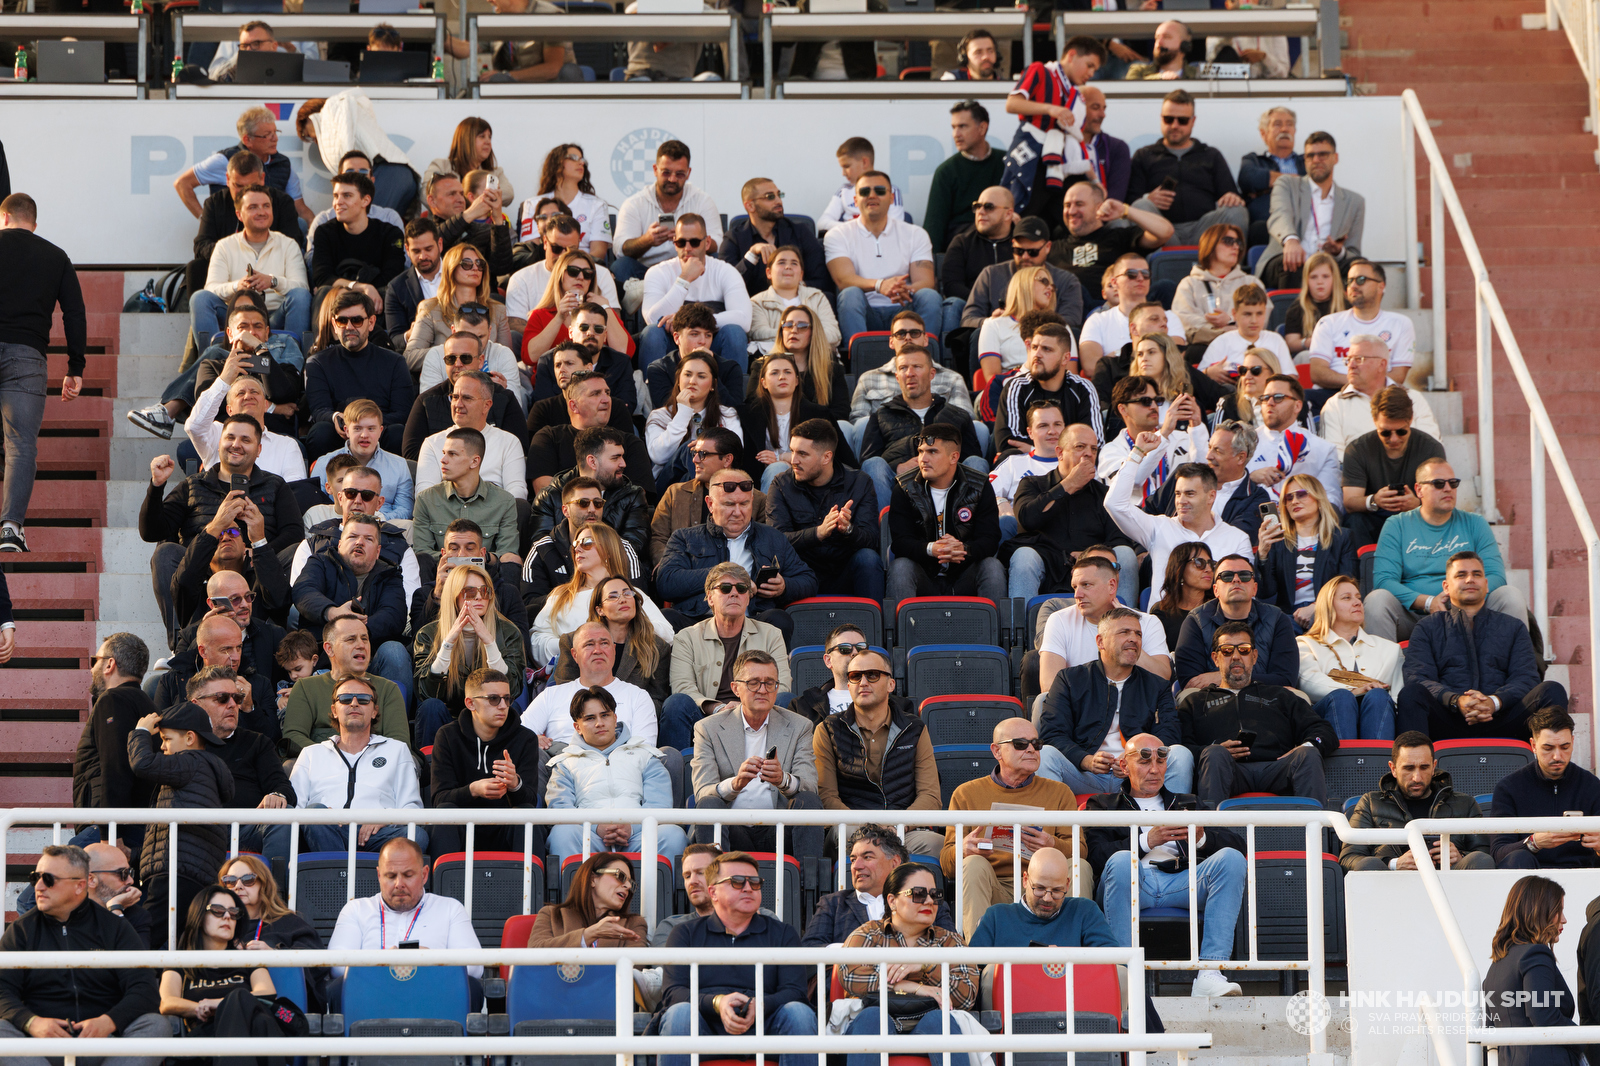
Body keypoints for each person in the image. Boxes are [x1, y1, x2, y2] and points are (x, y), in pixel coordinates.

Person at [1085, 731, 1248, 998]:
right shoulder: (1103, 804)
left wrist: (1201, 838)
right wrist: (1145, 841)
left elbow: (1238, 845)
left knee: (1231, 858)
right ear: (1124, 766)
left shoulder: (1188, 803)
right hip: (1133, 882)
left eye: (1161, 761)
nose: (1154, 769)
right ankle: (1124, 976)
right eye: (1144, 761)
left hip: (1183, 882)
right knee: (1122, 859)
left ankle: (1210, 972)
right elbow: (1096, 856)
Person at [969, 847, 1166, 1032]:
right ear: (1025, 880)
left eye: (1056, 891)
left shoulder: (1084, 911)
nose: (1047, 898)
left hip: (1081, 1021)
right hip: (1015, 1017)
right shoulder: (996, 916)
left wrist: (1067, 958)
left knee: (1121, 973)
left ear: (1068, 885)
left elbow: (1115, 962)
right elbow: (971, 972)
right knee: (989, 974)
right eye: (1039, 888)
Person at [143, 416, 303, 639]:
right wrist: (157, 486)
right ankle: (182, 640)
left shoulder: (275, 485)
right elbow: (151, 532)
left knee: (296, 552)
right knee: (165, 552)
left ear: (258, 450)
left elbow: (294, 533)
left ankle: (265, 637)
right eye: (230, 437)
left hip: (257, 572)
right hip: (199, 573)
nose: (236, 444)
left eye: (245, 440)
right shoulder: (193, 484)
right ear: (219, 444)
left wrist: (258, 550)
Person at [0, 845, 165, 1055]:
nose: (39, 887)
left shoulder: (115, 927)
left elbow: (145, 988)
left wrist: (109, 1022)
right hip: (40, 1045)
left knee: (156, 1025)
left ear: (79, 885)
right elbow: (2, 989)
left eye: (48, 879)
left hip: (105, 1043)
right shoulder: (21, 930)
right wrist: (31, 1022)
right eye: (35, 878)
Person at [658, 851, 816, 1066]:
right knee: (679, 1013)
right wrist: (717, 1003)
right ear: (713, 892)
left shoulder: (783, 933)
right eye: (737, 882)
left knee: (799, 1013)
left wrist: (760, 1005)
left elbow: (795, 992)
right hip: (705, 1025)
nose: (748, 888)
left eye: (755, 883)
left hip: (766, 1025)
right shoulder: (684, 933)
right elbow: (673, 992)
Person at [1398, 551, 1566, 740]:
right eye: (1461, 575)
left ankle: (1554, 758)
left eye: (1476, 574)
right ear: (1446, 587)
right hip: (1447, 720)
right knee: (1411, 694)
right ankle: (1416, 759)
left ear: (1486, 585)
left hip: (1504, 720)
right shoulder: (1427, 627)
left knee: (1551, 690)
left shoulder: (1513, 627)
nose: (1470, 579)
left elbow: (1526, 678)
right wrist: (1456, 700)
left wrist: (1494, 702)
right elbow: (1417, 677)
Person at [942, 718, 1087, 935]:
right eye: (1020, 744)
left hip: (1044, 887)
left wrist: (1052, 845)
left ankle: (1071, 949)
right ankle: (978, 954)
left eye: (1036, 744)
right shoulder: (965, 794)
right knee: (972, 864)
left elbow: (1081, 852)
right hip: (993, 886)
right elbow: (947, 864)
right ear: (997, 751)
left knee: (1079, 867)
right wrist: (962, 850)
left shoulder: (1060, 792)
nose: (1031, 750)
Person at [0, 194, 85, 553]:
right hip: (27, 356)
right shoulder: (56, 256)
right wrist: (75, 367)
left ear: (4, 217)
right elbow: (74, 312)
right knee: (20, 446)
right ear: (33, 223)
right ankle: (10, 528)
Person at [1366, 458, 1529, 641]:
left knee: (1510, 596)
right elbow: (1384, 581)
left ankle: (1516, 660)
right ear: (1419, 490)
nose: (1447, 488)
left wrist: (1460, 598)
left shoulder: (1475, 523)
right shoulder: (1397, 525)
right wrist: (1428, 602)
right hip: (1414, 616)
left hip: (1470, 611)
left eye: (1453, 483)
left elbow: (1496, 576)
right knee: (1376, 600)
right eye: (1438, 483)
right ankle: (1384, 662)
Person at [1179, 622, 1338, 806]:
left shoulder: (1280, 695)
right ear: (1216, 658)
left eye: (1244, 650)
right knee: (1214, 754)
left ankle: (1314, 824)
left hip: (1278, 767)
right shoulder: (1195, 702)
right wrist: (1213, 749)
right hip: (1225, 768)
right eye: (1227, 651)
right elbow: (1182, 747)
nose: (1236, 656)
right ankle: (1211, 825)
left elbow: (1324, 731)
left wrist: (1306, 745)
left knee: (1307, 754)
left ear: (1254, 656)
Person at [1039, 605, 1189, 797]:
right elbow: (1052, 733)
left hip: (1138, 774)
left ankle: (1170, 817)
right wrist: (1086, 760)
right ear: (1100, 641)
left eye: (1138, 634)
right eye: (1124, 632)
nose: (1133, 639)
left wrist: (1135, 758)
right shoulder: (1070, 679)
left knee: (1180, 754)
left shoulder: (1156, 685)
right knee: (1045, 754)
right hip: (1084, 774)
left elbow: (1170, 732)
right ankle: (1054, 818)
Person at [840, 862, 980, 1065]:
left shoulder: (950, 941)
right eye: (918, 894)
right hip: (873, 1023)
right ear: (892, 901)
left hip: (930, 1024)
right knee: (873, 1017)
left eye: (935, 895)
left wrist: (927, 965)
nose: (929, 901)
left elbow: (967, 995)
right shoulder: (869, 934)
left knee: (940, 1021)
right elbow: (850, 976)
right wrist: (915, 988)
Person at [814, 648, 946, 857]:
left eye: (872, 675)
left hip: (901, 830)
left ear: (891, 684)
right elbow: (827, 797)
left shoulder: (914, 728)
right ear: (848, 686)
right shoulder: (828, 729)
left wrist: (898, 826)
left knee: (939, 845)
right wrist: (869, 828)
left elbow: (930, 796)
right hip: (852, 827)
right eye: (855, 676)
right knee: (844, 833)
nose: (863, 682)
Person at [691, 649, 823, 855]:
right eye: (753, 683)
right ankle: (715, 875)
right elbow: (702, 792)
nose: (762, 690)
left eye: (770, 683)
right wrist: (735, 784)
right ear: (735, 688)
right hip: (732, 828)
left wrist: (782, 780)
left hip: (779, 829)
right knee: (708, 804)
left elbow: (810, 785)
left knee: (809, 801)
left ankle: (810, 877)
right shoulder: (708, 728)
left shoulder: (800, 726)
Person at [326, 837, 482, 1008]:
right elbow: (337, 966)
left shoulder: (450, 908)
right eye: (391, 876)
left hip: (433, 996)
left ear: (424, 875)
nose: (399, 884)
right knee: (339, 988)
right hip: (373, 996)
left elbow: (475, 967)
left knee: (471, 987)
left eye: (408, 875)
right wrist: (383, 962)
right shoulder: (356, 909)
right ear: (379, 875)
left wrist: (431, 960)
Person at [128, 702, 237, 948]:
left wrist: (141, 732)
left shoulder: (190, 761)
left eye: (166, 739)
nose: (162, 747)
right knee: (180, 942)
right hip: (195, 870)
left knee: (145, 939)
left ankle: (126, 972)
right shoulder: (203, 770)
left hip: (176, 870)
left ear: (189, 738)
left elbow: (142, 763)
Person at [657, 469, 815, 636]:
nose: (738, 512)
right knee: (667, 618)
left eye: (744, 504)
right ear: (710, 504)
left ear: (752, 501)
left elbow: (808, 580)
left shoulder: (773, 538)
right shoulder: (685, 537)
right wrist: (723, 576)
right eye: (729, 504)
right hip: (699, 622)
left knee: (779, 619)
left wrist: (784, 587)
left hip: (753, 622)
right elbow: (666, 582)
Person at [547, 684, 687, 863]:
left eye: (605, 715)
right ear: (577, 727)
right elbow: (560, 809)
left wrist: (632, 827)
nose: (599, 723)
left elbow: (659, 804)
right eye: (590, 718)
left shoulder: (645, 755)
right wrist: (596, 827)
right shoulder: (565, 763)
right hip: (589, 837)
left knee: (673, 834)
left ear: (615, 718)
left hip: (638, 836)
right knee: (562, 833)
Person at [289, 675, 426, 853]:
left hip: (378, 835)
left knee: (417, 836)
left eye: (363, 699)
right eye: (345, 699)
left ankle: (337, 866)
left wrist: (384, 818)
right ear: (334, 710)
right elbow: (295, 808)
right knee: (314, 813)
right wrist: (323, 816)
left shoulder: (397, 750)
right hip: (326, 830)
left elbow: (412, 808)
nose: (354, 703)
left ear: (374, 711)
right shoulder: (311, 753)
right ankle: (340, 864)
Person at [662, 563, 792, 749]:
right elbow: (682, 687)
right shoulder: (686, 638)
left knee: (786, 699)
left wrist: (745, 709)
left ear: (748, 598)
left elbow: (782, 685)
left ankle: (778, 764)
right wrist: (717, 708)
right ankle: (679, 766)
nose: (734, 593)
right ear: (710, 597)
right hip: (707, 719)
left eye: (741, 588)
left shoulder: (772, 635)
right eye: (725, 588)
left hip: (759, 715)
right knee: (676, 703)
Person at [1005, 427, 1136, 602]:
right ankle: (1020, 620)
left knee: (1125, 554)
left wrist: (1090, 555)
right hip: (1046, 563)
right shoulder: (1032, 484)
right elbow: (1027, 519)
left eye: (1093, 449)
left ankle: (1123, 616)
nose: (1089, 453)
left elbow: (1119, 538)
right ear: (1060, 453)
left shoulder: (1105, 494)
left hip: (1094, 568)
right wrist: (1069, 484)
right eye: (1080, 447)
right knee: (1023, 556)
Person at [886, 423, 1006, 610]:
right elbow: (900, 543)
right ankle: (898, 629)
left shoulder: (979, 485)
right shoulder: (904, 487)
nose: (923, 459)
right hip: (924, 577)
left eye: (932, 452)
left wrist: (963, 549)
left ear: (954, 457)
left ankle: (997, 629)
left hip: (965, 577)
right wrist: (932, 549)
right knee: (900, 567)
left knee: (992, 567)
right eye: (921, 451)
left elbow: (990, 540)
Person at [1107, 451, 1251, 604]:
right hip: (1162, 618)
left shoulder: (1237, 539)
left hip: (1215, 618)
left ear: (1211, 496)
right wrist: (1137, 453)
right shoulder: (1159, 527)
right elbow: (1114, 504)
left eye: (1190, 494)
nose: (1181, 501)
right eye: (1177, 494)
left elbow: (1245, 594)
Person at [291, 514, 411, 694]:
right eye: (353, 536)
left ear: (378, 551)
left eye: (368, 539)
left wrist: (355, 632)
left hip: (372, 658)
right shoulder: (320, 561)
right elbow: (303, 591)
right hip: (326, 659)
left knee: (394, 651)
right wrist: (332, 613)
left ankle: (393, 712)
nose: (359, 542)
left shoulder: (390, 574)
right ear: (340, 544)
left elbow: (394, 616)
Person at [1338, 731, 1492, 871]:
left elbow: (1486, 854)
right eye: (1409, 768)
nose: (1417, 778)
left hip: (1452, 884)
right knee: (1368, 864)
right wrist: (1394, 864)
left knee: (1480, 860)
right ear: (1393, 769)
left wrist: (1460, 857)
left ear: (1434, 767)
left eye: (1424, 767)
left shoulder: (1465, 803)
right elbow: (1348, 858)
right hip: (1392, 886)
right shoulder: (1370, 803)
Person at [187, 187, 313, 358]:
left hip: (275, 315)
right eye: (253, 207)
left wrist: (273, 281)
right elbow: (211, 288)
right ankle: (213, 361)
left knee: (300, 296)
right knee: (200, 298)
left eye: (266, 206)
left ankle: (290, 361)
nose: (261, 212)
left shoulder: (288, 244)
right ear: (239, 215)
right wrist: (237, 287)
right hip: (237, 317)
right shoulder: (224, 246)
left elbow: (302, 287)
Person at [767, 419, 881, 600]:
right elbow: (775, 541)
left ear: (826, 457)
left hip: (844, 570)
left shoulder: (859, 483)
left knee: (868, 558)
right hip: (800, 573)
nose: (793, 460)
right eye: (792, 451)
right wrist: (817, 533)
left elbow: (872, 540)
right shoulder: (781, 484)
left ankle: (873, 618)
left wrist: (848, 530)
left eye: (802, 454)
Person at [530, 521, 672, 666]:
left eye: (586, 543)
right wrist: (577, 644)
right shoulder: (560, 596)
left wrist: (626, 629)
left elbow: (667, 634)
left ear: (608, 550)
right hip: (572, 671)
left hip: (624, 671)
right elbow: (537, 641)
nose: (577, 549)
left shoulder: (631, 594)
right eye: (575, 545)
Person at [825, 171, 941, 345]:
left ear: (891, 197)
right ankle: (859, 356)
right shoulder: (837, 235)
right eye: (864, 191)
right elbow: (844, 280)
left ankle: (924, 355)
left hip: (905, 308)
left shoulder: (915, 234)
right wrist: (880, 285)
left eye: (879, 190)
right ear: (855, 200)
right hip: (865, 310)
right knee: (850, 294)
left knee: (929, 296)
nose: (872, 195)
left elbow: (925, 281)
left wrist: (900, 289)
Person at [413, 562, 525, 742]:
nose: (479, 597)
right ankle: (430, 759)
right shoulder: (428, 634)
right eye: (470, 592)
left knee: (510, 708)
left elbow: (512, 689)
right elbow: (426, 693)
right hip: (447, 717)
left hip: (488, 714)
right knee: (430, 707)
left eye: (485, 591)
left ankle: (503, 757)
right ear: (454, 596)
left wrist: (489, 642)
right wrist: (448, 643)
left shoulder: (508, 632)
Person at [1482, 876, 1587, 1066]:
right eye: (1558, 911)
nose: (1564, 919)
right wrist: (1586, 1039)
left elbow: (1490, 1031)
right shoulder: (1536, 954)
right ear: (1538, 911)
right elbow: (1543, 1014)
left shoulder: (1497, 964)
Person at [861, 346, 984, 506]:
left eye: (917, 366)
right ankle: (885, 520)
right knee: (873, 464)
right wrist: (898, 467)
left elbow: (971, 461)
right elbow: (868, 464)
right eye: (903, 368)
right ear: (897, 377)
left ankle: (966, 518)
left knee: (976, 462)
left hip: (950, 489)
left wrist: (940, 466)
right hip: (898, 489)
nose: (910, 373)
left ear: (932, 374)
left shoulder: (957, 415)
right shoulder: (881, 416)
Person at [1000, 37, 1104, 226]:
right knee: (1021, 218)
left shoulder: (1077, 95)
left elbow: (1076, 140)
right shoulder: (1040, 70)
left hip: (1060, 164)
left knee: (1066, 222)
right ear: (1071, 55)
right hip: (1032, 154)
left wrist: (1095, 180)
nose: (1091, 73)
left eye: (1094, 70)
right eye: (1089, 65)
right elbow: (1012, 104)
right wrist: (1050, 109)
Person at [1034, 551, 1169, 695]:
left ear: (1111, 586)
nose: (1077, 595)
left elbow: (1162, 678)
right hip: (1077, 704)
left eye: (1086, 585)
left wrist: (1129, 635)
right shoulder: (1059, 620)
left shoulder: (1148, 622)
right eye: (1075, 587)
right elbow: (1049, 685)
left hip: (1134, 704)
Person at [1127, 91, 1248, 249]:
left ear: (1193, 121)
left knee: (1237, 210)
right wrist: (1149, 198)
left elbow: (1229, 194)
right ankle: (1172, 255)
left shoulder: (1211, 155)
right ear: (1161, 119)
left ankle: (1225, 267)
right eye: (1168, 119)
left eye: (1182, 120)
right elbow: (1130, 202)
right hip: (1162, 231)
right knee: (1140, 205)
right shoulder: (1144, 155)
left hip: (1205, 231)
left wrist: (1231, 197)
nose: (1174, 125)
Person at [280, 616, 410, 757]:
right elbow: (293, 736)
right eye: (351, 639)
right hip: (320, 767)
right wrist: (338, 759)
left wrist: (360, 762)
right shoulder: (305, 688)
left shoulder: (388, 689)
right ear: (329, 649)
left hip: (375, 767)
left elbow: (399, 744)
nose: (361, 645)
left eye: (365, 639)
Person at [303, 291, 413, 458]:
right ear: (334, 324)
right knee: (320, 432)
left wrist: (367, 425)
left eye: (356, 320)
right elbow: (319, 410)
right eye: (342, 321)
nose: (349, 327)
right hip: (341, 433)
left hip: (381, 432)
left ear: (371, 322)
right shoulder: (318, 363)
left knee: (398, 433)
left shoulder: (395, 362)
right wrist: (339, 419)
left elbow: (402, 413)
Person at [74, 634, 157, 851]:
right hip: (132, 826)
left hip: (113, 830)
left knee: (57, 869)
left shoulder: (113, 700)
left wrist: (110, 834)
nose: (92, 669)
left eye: (95, 661)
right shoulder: (146, 703)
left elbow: (115, 768)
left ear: (110, 664)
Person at [158, 885, 275, 1036]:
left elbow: (267, 992)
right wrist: (201, 1008)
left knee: (259, 1020)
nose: (227, 916)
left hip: (249, 1032)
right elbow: (167, 1002)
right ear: (200, 916)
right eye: (218, 910)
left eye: (233, 912)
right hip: (206, 1037)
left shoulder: (247, 957)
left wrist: (219, 1004)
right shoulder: (180, 960)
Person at [1297, 575, 1403, 741]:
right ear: (1328, 606)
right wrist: (1352, 690)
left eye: (1358, 597)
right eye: (1347, 598)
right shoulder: (1306, 644)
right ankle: (1342, 759)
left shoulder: (1391, 649)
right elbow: (1308, 682)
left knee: (1378, 696)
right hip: (1325, 720)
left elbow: (1397, 699)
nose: (1357, 602)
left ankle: (1377, 758)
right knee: (1342, 698)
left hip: (1379, 717)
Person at [1491, 709, 1600, 870]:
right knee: (1518, 857)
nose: (1557, 756)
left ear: (1573, 742)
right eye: (1548, 748)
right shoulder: (1509, 788)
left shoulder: (1592, 786)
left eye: (1565, 747)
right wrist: (1534, 843)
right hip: (1529, 878)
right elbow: (1499, 854)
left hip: (1582, 874)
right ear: (1533, 745)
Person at [1341, 385, 1447, 547]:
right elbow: (1350, 502)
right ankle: (1364, 563)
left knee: (1437, 518)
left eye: (1401, 432)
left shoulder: (1430, 448)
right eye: (1385, 432)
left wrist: (1418, 504)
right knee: (1355, 520)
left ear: (1411, 420)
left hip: (1416, 519)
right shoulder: (1357, 449)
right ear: (1375, 421)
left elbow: (1441, 498)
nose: (1394, 439)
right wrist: (1374, 500)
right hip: (1373, 518)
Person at [524, 620, 660, 747]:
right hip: (561, 760)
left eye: (604, 643)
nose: (598, 650)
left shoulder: (638, 697)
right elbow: (519, 734)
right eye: (589, 644)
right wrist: (533, 740)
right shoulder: (551, 695)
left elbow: (644, 750)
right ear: (574, 655)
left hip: (619, 761)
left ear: (614, 650)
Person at [614, 139, 723, 296]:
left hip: (692, 268)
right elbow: (620, 248)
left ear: (688, 173)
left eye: (679, 174)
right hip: (646, 272)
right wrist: (647, 240)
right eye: (666, 172)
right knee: (621, 266)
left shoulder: (702, 200)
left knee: (717, 259)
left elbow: (718, 244)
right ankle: (645, 295)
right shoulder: (635, 203)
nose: (672, 179)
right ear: (655, 170)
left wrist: (693, 240)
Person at [1173, 555, 1298, 692]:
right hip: (1212, 697)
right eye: (1226, 576)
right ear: (1215, 590)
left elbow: (1286, 679)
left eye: (1244, 576)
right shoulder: (1196, 620)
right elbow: (1190, 681)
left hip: (1265, 696)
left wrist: (1222, 677)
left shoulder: (1277, 619)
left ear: (1255, 588)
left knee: (1296, 695)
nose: (1236, 580)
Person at [1258, 132, 1365, 292]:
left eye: (1322, 155)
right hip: (1288, 258)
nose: (1316, 160)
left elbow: (1353, 252)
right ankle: (1293, 309)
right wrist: (1290, 240)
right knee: (1293, 263)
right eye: (1310, 156)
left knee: (1362, 269)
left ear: (1335, 158)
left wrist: (1339, 252)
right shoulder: (1287, 185)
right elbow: (1280, 215)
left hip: (1329, 263)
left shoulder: (1354, 201)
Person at [649, 428, 769, 568]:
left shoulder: (758, 500)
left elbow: (765, 545)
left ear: (727, 459)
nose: (695, 460)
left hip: (735, 575)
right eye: (694, 453)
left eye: (703, 454)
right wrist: (669, 565)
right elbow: (658, 538)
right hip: (682, 573)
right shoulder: (675, 493)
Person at [406, 328, 528, 462]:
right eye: (451, 359)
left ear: (480, 361)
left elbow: (519, 449)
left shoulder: (504, 399)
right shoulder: (427, 401)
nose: (458, 364)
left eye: (466, 358)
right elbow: (412, 454)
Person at [526, 477, 644, 615]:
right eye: (583, 503)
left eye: (598, 503)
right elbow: (530, 604)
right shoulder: (542, 549)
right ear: (565, 510)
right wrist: (577, 600)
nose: (592, 509)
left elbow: (638, 598)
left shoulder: (622, 547)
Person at [528, 425, 653, 556]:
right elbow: (542, 548)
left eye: (622, 457)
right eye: (615, 458)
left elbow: (634, 547)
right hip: (561, 568)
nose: (623, 464)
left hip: (613, 567)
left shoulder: (633, 496)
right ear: (592, 462)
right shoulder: (550, 496)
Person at [549, 573, 672, 706]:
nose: (623, 599)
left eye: (627, 593)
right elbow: (565, 694)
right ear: (600, 610)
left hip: (633, 716)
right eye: (613, 596)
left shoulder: (657, 647)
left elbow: (657, 700)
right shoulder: (572, 642)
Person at [175, 106, 312, 224]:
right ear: (247, 139)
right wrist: (204, 220)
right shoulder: (225, 160)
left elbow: (300, 208)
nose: (275, 138)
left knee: (300, 225)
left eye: (275, 132)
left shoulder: (283, 164)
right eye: (267, 135)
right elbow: (182, 183)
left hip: (272, 234)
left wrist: (314, 226)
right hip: (231, 232)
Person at [1049, 180, 1172, 312]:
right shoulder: (1052, 248)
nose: (1072, 211)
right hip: (1076, 311)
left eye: (1079, 204)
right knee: (1074, 287)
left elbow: (1165, 232)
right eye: (1067, 205)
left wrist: (1125, 210)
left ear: (1098, 207)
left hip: (1120, 307)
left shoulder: (1120, 237)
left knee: (1165, 287)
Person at [1254, 475, 1358, 629]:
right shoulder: (1277, 542)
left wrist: (1317, 606)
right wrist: (1263, 554)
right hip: (1288, 616)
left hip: (1329, 612)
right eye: (1289, 498)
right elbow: (1265, 593)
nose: (1294, 501)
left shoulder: (1342, 537)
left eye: (1301, 494)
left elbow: (1346, 583)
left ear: (1318, 498)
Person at [528, 375, 654, 501]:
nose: (606, 400)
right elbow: (546, 496)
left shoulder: (630, 443)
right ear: (574, 406)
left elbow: (638, 499)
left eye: (607, 393)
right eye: (595, 394)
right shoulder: (548, 438)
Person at [737, 353, 849, 491]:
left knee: (779, 466)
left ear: (796, 381)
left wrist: (782, 457)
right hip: (760, 484)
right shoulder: (747, 415)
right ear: (763, 382)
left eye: (787, 372)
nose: (782, 377)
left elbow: (840, 458)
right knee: (777, 468)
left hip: (811, 483)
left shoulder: (818, 414)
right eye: (774, 373)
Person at [1318, 334, 1439, 459]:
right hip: (1356, 471)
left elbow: (1431, 449)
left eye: (1359, 359)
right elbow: (1334, 458)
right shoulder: (1335, 405)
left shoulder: (1413, 398)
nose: (1351, 365)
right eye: (1348, 360)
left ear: (1382, 364)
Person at [414, 371, 527, 504]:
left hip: (495, 513)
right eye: (455, 397)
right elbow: (424, 496)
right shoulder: (432, 443)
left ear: (486, 405)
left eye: (467, 398)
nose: (458, 404)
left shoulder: (509, 442)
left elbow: (517, 492)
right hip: (446, 514)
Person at [960, 216, 1083, 337]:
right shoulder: (991, 275)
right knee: (976, 335)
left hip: (1046, 341)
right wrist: (992, 321)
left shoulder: (1066, 281)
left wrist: (1026, 325)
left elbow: (1072, 320)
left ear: (1047, 247)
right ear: (1012, 244)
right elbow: (968, 319)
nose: (1025, 257)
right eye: (1019, 251)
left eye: (1032, 252)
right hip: (1000, 339)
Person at [993, 322, 1098, 464]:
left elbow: (1096, 443)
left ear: (1065, 358)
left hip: (1073, 470)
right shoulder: (1017, 386)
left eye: (1047, 349)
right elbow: (1007, 443)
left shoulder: (1083, 388)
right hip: (1029, 469)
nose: (1037, 354)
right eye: (1034, 347)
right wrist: (1069, 451)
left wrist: (1032, 449)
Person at [411, 427, 520, 561]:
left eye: (452, 454)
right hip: (441, 569)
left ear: (474, 461)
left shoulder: (504, 501)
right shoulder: (426, 499)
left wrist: (477, 558)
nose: (443, 460)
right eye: (444, 453)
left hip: (487, 571)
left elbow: (507, 552)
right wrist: (455, 558)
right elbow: (422, 553)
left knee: (512, 561)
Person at [849, 311, 977, 424]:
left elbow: (965, 420)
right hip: (885, 439)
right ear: (891, 342)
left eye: (914, 333)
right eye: (901, 334)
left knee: (978, 427)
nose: (908, 338)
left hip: (937, 438)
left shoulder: (953, 379)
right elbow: (858, 423)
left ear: (926, 340)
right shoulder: (868, 379)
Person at [405, 243, 515, 374]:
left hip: (487, 382)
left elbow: (507, 359)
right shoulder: (430, 309)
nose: (475, 268)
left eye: (479, 264)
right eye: (467, 264)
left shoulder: (498, 310)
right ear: (451, 268)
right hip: (445, 381)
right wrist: (452, 352)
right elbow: (410, 358)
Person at [1307, 260, 1414, 390]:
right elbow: (1317, 373)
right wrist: (1358, 383)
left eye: (1361, 280)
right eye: (1349, 281)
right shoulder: (1328, 323)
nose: (1353, 285)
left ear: (1381, 287)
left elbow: (1398, 376)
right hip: (1331, 393)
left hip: (1378, 395)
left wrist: (1363, 386)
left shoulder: (1401, 324)